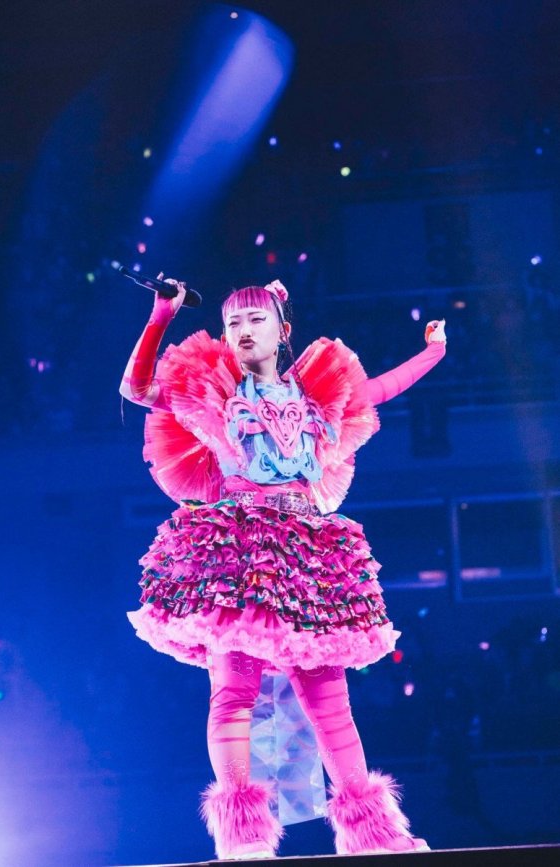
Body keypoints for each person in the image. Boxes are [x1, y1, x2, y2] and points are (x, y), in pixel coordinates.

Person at [119, 276, 447, 859]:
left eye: (255, 320)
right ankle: (243, 836)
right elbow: (136, 387)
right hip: (240, 550)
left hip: (307, 552)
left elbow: (377, 390)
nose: (243, 331)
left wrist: (433, 353)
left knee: (330, 702)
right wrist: (162, 314)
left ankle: (373, 836)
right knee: (234, 691)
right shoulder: (214, 395)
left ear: (282, 331)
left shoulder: (316, 399)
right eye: (233, 323)